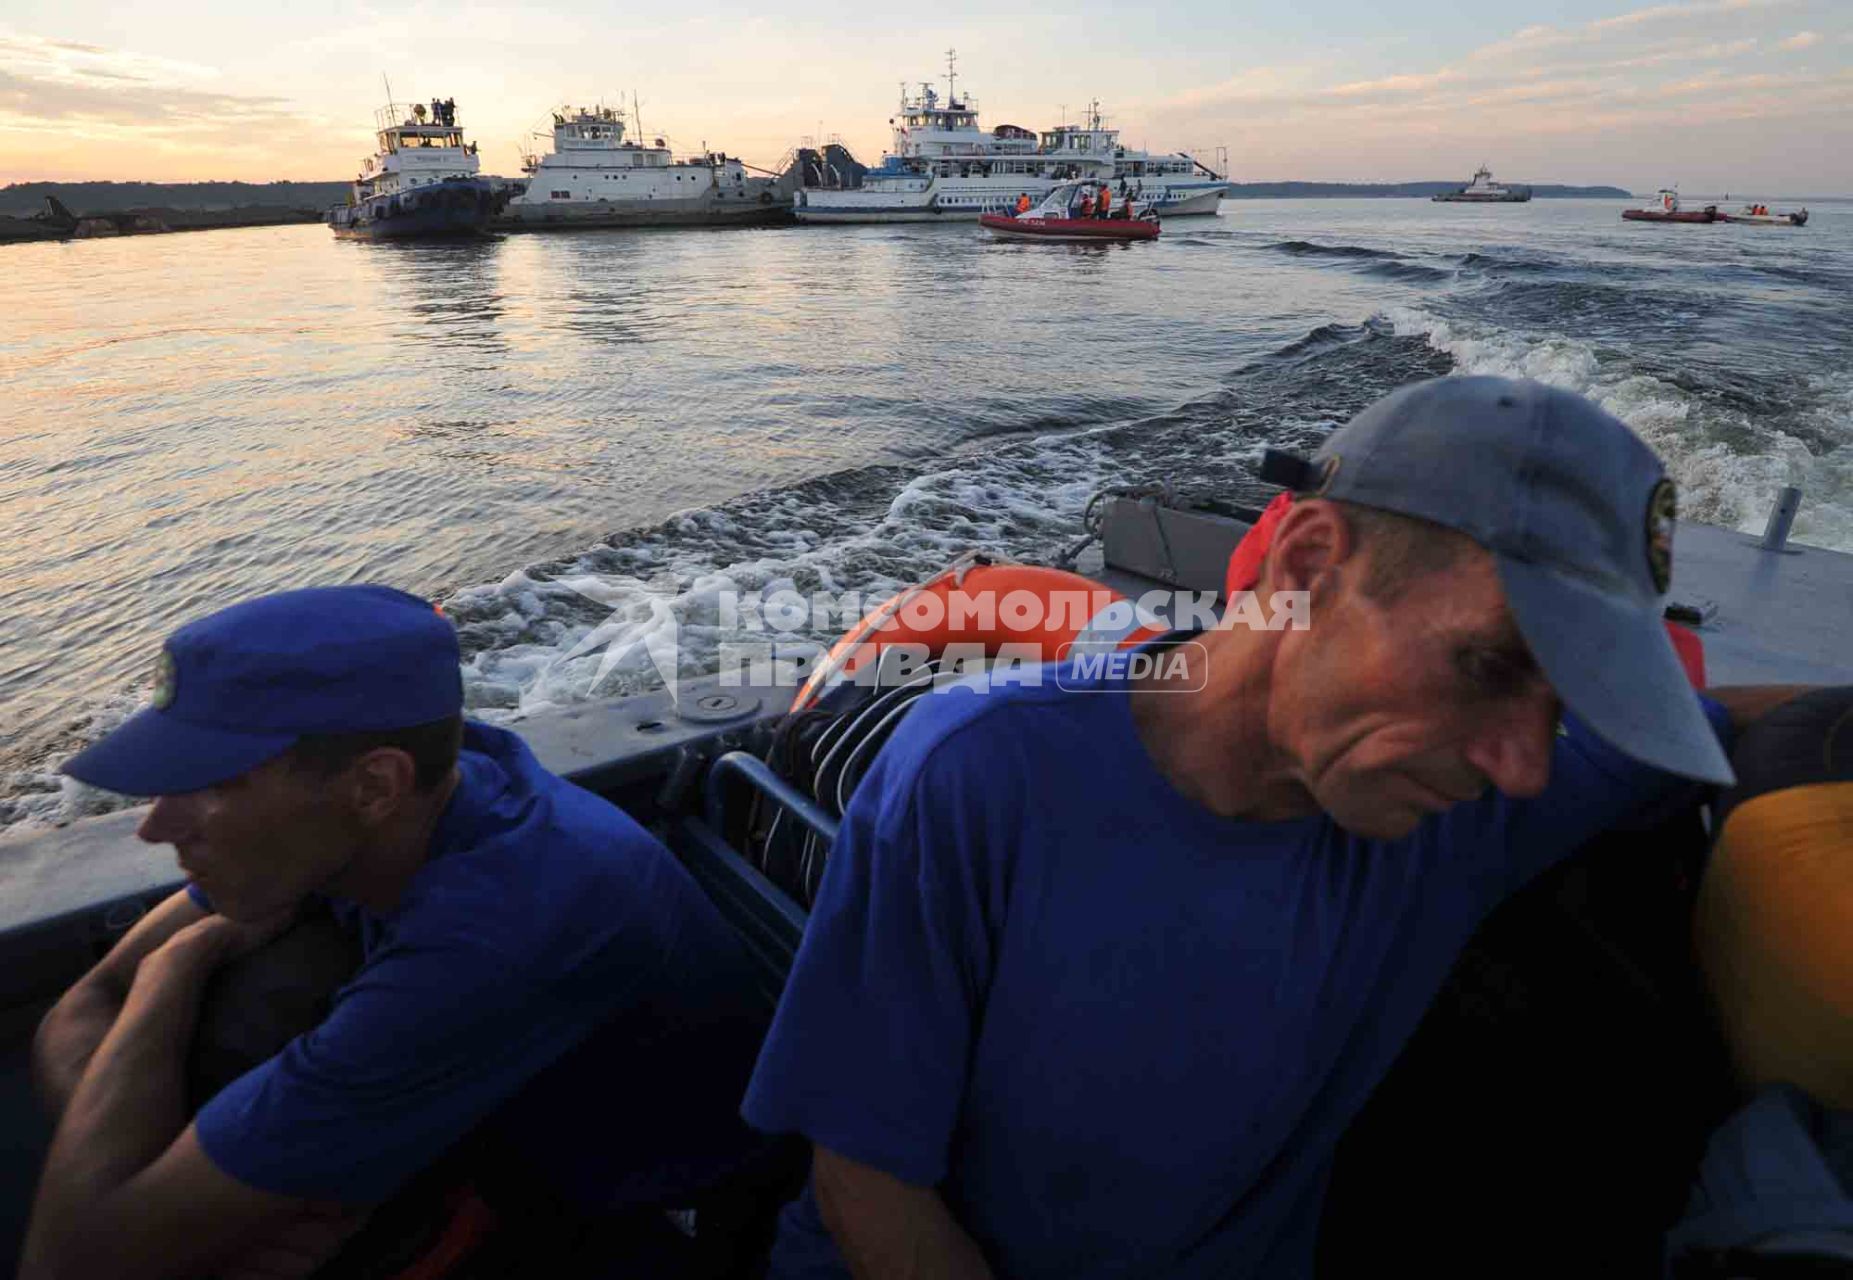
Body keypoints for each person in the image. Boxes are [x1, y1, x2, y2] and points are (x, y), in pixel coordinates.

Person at [741, 376, 1810, 1279]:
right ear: (1304, 567)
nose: (1525, 764)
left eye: (1566, 702)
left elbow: (1721, 730)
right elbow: (867, 1182)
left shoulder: (1461, 802)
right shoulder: (981, 777)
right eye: (1486, 664)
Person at [23, 585, 776, 1280]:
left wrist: (173, 968)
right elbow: (78, 1009)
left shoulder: (501, 929)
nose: (154, 827)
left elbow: (73, 1262)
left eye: (209, 784)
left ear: (374, 786)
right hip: (496, 1133)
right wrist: (166, 1192)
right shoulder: (421, 785)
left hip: (641, 1221)